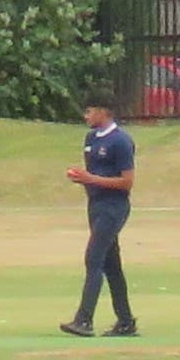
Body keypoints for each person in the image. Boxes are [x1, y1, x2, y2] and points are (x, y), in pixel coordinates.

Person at [62, 93, 139, 336]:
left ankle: (84, 320)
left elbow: (127, 182)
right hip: (95, 206)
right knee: (111, 264)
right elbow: (95, 173)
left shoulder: (121, 141)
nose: (86, 116)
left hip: (113, 208)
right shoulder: (90, 138)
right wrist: (81, 179)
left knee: (93, 257)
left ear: (104, 112)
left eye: (90, 111)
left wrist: (90, 179)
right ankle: (126, 321)